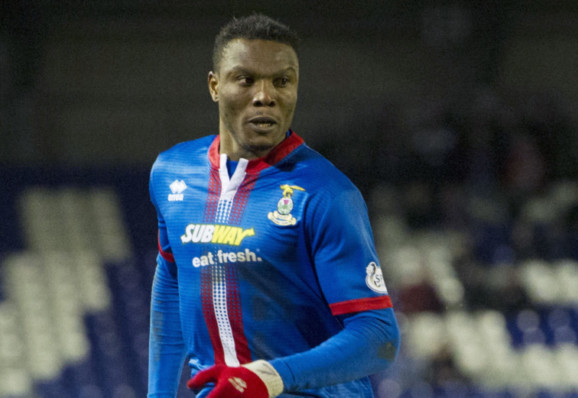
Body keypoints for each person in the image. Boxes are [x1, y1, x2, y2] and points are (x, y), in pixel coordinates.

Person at [147, 14, 400, 398]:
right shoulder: (171, 172)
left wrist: (268, 377)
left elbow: (378, 336)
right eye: (245, 79)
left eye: (281, 81)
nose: (265, 95)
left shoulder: (327, 194)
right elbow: (171, 279)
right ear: (215, 86)